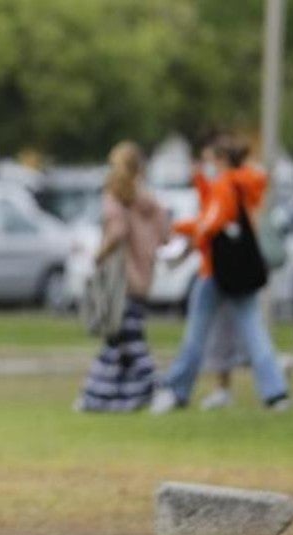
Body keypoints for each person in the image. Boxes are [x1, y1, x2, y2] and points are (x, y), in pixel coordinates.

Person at [151, 135, 290, 413]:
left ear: (222, 161)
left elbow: (211, 222)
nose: (205, 165)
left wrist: (177, 228)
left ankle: (177, 390)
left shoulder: (226, 185)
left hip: (215, 272)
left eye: (208, 160)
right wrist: (201, 183)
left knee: (196, 334)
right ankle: (275, 391)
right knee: (254, 331)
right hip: (239, 272)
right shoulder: (240, 184)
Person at [75, 141, 169, 412]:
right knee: (117, 343)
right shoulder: (150, 202)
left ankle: (159, 389)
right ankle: (99, 396)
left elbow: (116, 232)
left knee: (129, 341)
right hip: (143, 276)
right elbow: (165, 235)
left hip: (122, 281)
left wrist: (98, 256)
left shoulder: (115, 197)